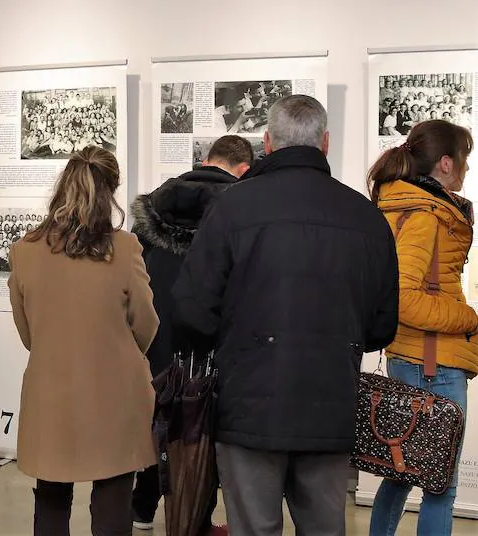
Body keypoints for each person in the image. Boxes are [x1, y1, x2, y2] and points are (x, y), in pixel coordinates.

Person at [172, 95, 400, 536]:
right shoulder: (366, 218)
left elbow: (190, 310)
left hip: (249, 405)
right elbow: (382, 327)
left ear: (267, 142)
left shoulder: (232, 208)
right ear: (326, 143)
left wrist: (234, 347)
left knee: (254, 528)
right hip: (331, 406)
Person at [8, 145, 159, 536]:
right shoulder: (124, 248)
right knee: (113, 499)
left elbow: (28, 333)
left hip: (50, 392)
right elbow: (145, 324)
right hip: (114, 394)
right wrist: (114, 350)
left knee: (51, 497)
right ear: (110, 191)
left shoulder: (24, 250)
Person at [128, 134, 254, 533]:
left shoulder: (155, 204)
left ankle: (143, 507)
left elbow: (135, 272)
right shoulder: (240, 211)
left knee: (155, 418)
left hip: (155, 332)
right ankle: (195, 515)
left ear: (206, 159)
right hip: (207, 338)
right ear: (243, 170)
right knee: (202, 429)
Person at [368, 120, 478, 536]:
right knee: (440, 485)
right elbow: (404, 298)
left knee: (398, 472)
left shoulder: (406, 202)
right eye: (464, 160)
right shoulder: (426, 214)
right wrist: (469, 319)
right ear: (447, 163)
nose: (467, 169)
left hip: (410, 356)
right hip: (433, 361)